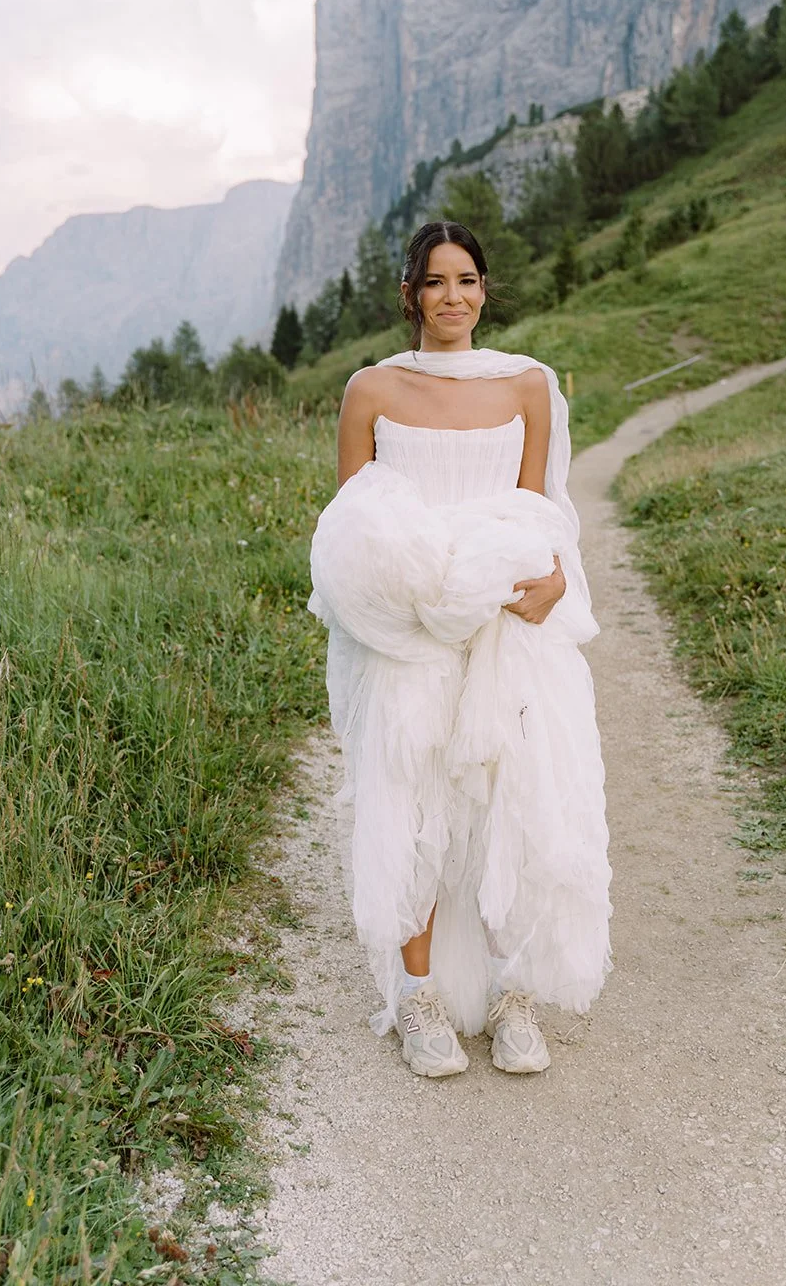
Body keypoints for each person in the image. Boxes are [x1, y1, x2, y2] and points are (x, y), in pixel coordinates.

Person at [307, 219, 612, 1077]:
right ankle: (417, 999)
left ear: (485, 290)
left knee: (511, 797)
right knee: (411, 802)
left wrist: (554, 582)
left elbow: (542, 505)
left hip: (508, 621)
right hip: (408, 629)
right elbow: (351, 532)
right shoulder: (370, 390)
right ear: (409, 294)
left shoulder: (527, 386)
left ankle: (514, 992)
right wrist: (403, 607)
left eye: (467, 280)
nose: (453, 298)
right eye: (435, 282)